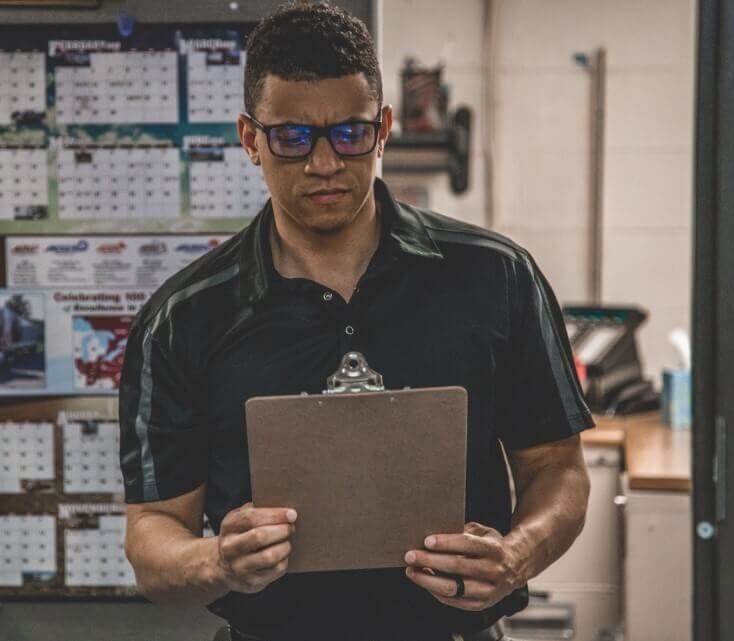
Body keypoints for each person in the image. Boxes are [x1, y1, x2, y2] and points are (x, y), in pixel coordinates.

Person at [119, 3, 593, 640]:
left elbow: (557, 470)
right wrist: (218, 560)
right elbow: (153, 533)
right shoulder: (183, 318)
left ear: (385, 128)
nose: (324, 164)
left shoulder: (495, 277)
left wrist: (516, 557)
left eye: (349, 133)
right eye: (292, 137)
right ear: (250, 139)